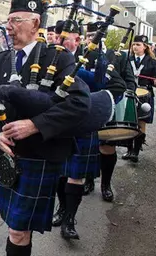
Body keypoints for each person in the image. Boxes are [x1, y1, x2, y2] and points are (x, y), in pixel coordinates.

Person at [0, 0, 90, 256]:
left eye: (16, 20)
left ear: (35, 23)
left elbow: (79, 104)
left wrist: (35, 125)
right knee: (12, 224)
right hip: (6, 156)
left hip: (38, 156)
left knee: (19, 229)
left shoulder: (57, 58)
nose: (9, 26)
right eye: (7, 21)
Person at [51, 20, 126, 240]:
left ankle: (69, 220)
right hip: (57, 123)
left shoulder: (96, 58)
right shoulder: (48, 57)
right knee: (60, 173)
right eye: (59, 37)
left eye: (68, 37)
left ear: (79, 39)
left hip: (83, 123)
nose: (62, 41)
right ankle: (62, 209)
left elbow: (116, 85)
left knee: (76, 176)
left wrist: (100, 102)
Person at [83, 22, 136, 201]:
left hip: (111, 104)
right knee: (88, 147)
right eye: (90, 35)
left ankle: (105, 184)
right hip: (85, 108)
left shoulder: (117, 56)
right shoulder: (81, 55)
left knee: (107, 147)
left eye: (97, 35)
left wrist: (126, 94)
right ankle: (88, 180)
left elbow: (129, 80)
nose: (93, 39)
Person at [123, 35, 156, 162]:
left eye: (138, 44)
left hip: (144, 94)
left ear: (145, 47)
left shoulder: (152, 61)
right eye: (134, 44)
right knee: (128, 122)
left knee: (141, 123)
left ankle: (136, 151)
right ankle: (128, 150)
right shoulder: (127, 59)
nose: (135, 47)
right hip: (129, 92)